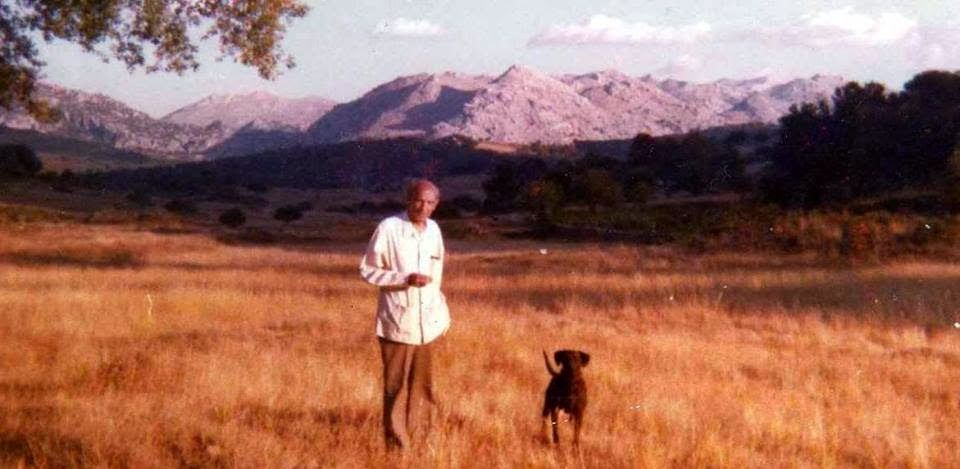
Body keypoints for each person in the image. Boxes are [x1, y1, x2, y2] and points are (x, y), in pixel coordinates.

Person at [359, 179, 450, 451]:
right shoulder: (389, 228)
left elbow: (437, 277)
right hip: (398, 322)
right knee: (395, 387)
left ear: (436, 205)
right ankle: (397, 446)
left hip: (428, 324)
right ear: (408, 199)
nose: (424, 207)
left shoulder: (434, 230)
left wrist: (442, 313)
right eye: (419, 200)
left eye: (430, 202)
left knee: (423, 385)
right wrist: (404, 278)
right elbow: (367, 270)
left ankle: (422, 439)